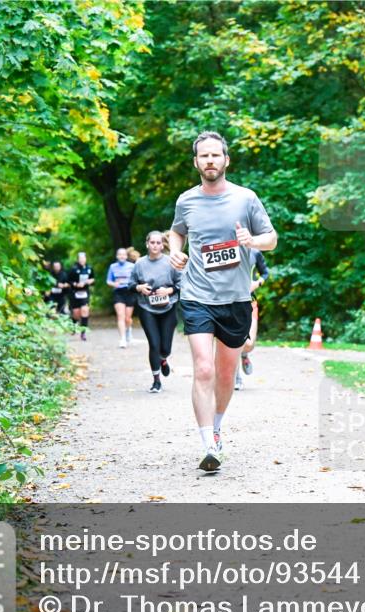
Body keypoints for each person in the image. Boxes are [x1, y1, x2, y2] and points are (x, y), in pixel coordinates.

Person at [169, 131, 277, 472]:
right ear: (196, 162)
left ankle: (216, 428)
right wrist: (175, 252)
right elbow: (177, 231)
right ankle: (207, 443)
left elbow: (271, 239)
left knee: (225, 374)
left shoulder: (246, 199)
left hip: (236, 298)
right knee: (203, 368)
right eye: (204, 156)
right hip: (197, 294)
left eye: (216, 155)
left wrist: (252, 240)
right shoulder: (186, 200)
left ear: (226, 160)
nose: (210, 161)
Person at [128, 231, 183, 393]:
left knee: (165, 348)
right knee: (154, 344)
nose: (155, 246)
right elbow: (130, 285)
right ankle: (156, 380)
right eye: (152, 242)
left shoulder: (170, 262)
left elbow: (181, 284)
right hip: (147, 308)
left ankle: (163, 359)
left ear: (162, 245)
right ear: (147, 244)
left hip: (168, 306)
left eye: (158, 243)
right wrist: (139, 287)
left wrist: (169, 290)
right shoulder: (139, 264)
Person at [234, 248, 270, 390]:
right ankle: (236, 378)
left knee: (248, 344)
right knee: (235, 341)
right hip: (231, 303)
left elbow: (265, 273)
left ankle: (244, 354)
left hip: (250, 302)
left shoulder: (255, 253)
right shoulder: (226, 251)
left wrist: (257, 283)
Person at [106, 247, 136, 347]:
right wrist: (114, 284)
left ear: (126, 256)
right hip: (118, 292)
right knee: (120, 315)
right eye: (120, 254)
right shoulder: (112, 267)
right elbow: (108, 281)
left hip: (129, 292)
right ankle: (122, 339)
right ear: (117, 256)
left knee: (128, 318)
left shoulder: (132, 266)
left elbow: (137, 279)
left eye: (123, 254)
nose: (122, 256)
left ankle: (128, 330)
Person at [67, 251, 95, 341]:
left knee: (85, 311)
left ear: (86, 259)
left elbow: (92, 278)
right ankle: (74, 323)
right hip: (74, 293)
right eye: (80, 258)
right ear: (78, 259)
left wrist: (89, 281)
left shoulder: (89, 268)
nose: (82, 260)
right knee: (76, 314)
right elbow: (68, 281)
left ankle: (83, 333)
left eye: (84, 258)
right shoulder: (73, 269)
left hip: (84, 293)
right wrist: (75, 284)